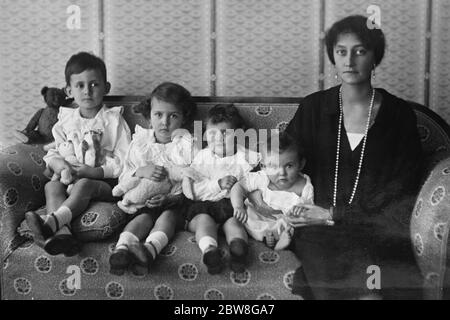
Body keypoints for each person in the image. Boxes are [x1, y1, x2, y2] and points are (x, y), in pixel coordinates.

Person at [276, 15, 423, 299]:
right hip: (317, 227)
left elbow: (403, 189)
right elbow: (283, 166)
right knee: (319, 245)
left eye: (360, 51)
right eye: (341, 52)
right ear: (332, 56)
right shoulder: (314, 108)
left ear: (374, 58)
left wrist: (336, 214)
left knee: (380, 265)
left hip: (376, 225)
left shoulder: (398, 115)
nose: (349, 61)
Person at [25, 52, 132, 256]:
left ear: (106, 87)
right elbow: (55, 149)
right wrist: (58, 164)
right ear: (69, 90)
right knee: (52, 185)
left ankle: (53, 222)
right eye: (80, 86)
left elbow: (126, 159)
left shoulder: (114, 120)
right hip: (69, 178)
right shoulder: (65, 120)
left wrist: (95, 172)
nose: (87, 91)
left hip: (105, 184)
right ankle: (64, 236)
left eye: (94, 84)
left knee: (84, 184)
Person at [109, 82, 198, 276]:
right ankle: (122, 250)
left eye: (173, 116)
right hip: (143, 202)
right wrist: (141, 171)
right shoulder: (140, 142)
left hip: (174, 204)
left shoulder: (187, 145)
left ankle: (149, 250)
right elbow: (124, 176)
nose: (164, 122)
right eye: (158, 114)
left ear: (183, 119)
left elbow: (193, 178)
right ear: (150, 117)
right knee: (142, 219)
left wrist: (171, 199)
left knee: (167, 217)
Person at [182, 104, 260, 274]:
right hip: (204, 207)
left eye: (225, 133)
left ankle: (238, 249)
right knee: (204, 222)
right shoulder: (202, 157)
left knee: (235, 223)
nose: (219, 139)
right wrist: (217, 184)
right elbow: (192, 191)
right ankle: (210, 251)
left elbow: (254, 185)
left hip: (231, 207)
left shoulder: (246, 158)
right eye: (212, 133)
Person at [230, 131, 317, 250]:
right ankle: (265, 239)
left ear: (301, 164)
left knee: (293, 225)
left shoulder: (304, 186)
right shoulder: (262, 177)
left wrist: (301, 209)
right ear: (264, 167)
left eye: (289, 166)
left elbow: (309, 211)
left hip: (281, 223)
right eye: (274, 166)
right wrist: (238, 207)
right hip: (255, 216)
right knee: (240, 219)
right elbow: (238, 186)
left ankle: (277, 242)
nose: (282, 173)